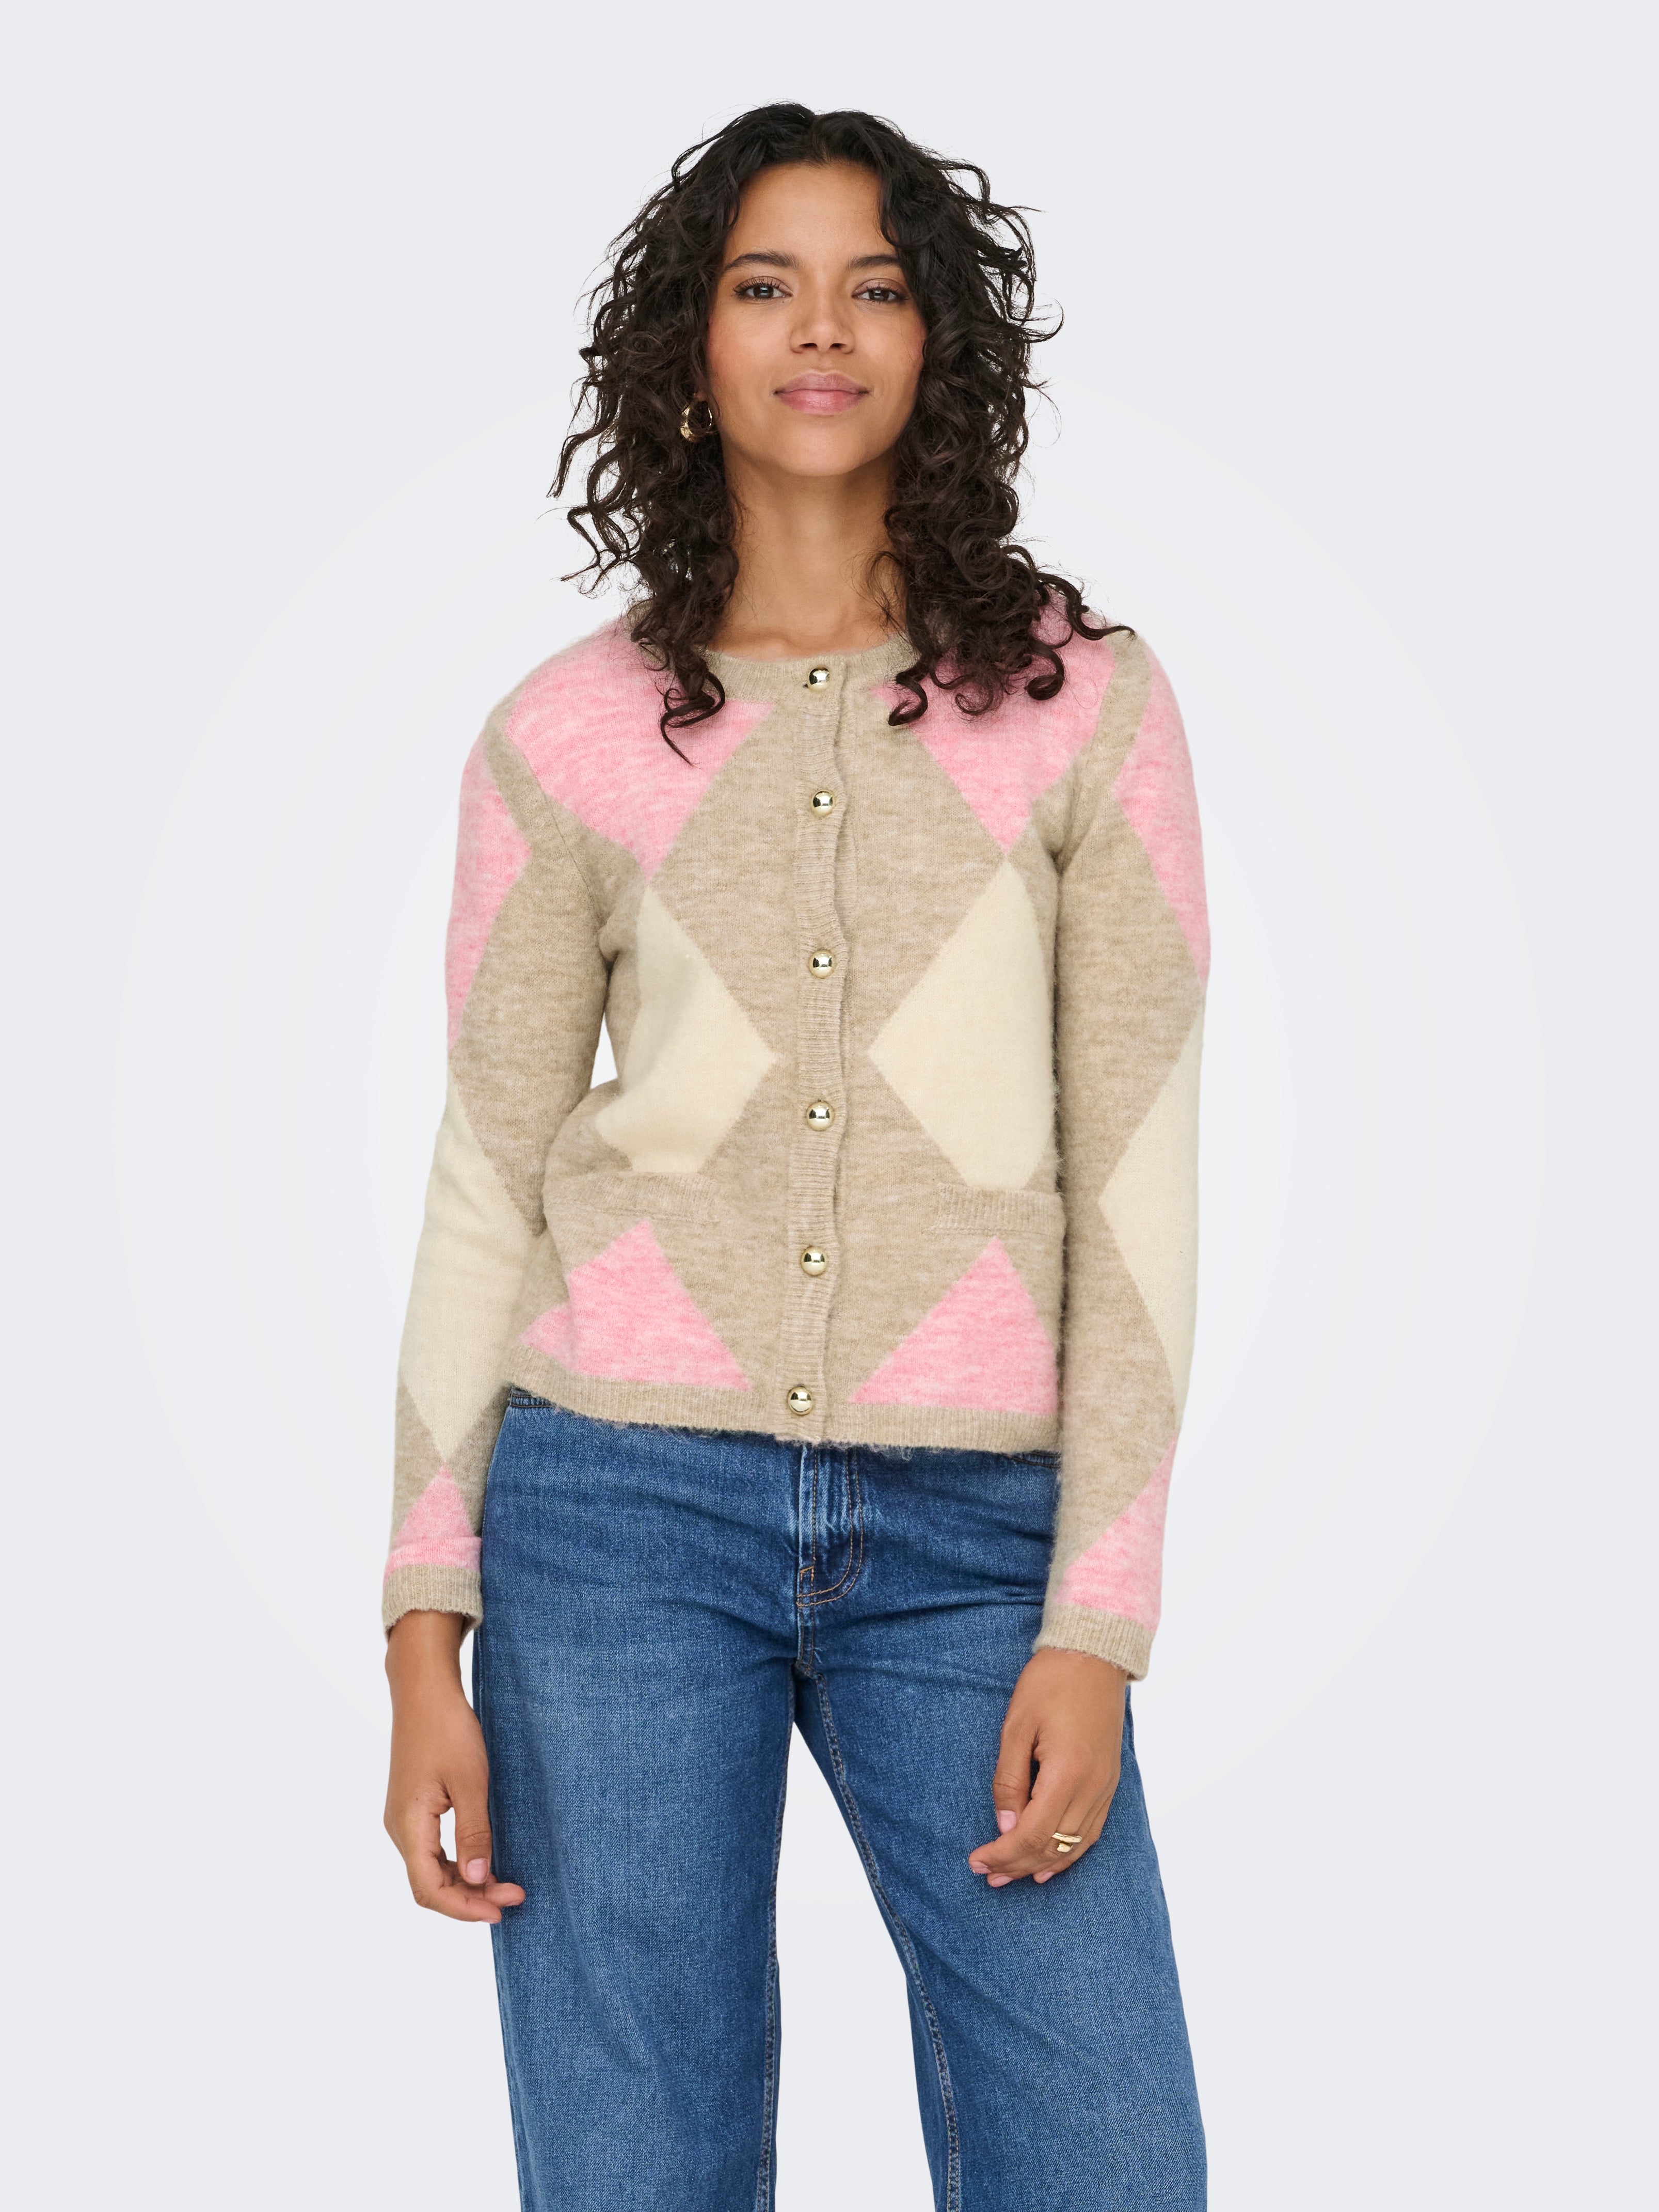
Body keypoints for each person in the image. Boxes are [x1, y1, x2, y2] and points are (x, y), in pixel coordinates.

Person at [381, 103, 1209, 2212]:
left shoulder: (1087, 707)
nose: (821, 328)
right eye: (766, 285)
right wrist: (422, 1623)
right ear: (692, 344)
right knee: (635, 2169)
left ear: (941, 343)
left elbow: (1134, 1181)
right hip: (616, 1515)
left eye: (875, 285)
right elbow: (487, 1180)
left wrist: (1099, 1617)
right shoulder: (564, 736)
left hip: (979, 1535)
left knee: (1108, 2157)